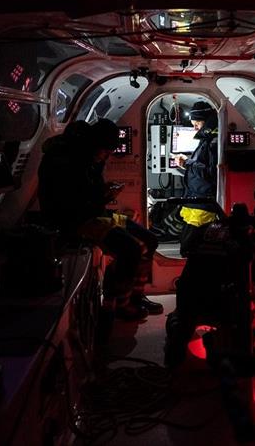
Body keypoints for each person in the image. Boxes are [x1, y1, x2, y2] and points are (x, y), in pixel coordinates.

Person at [38, 118, 162, 320]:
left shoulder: (89, 158)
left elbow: (91, 193)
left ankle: (136, 295)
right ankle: (119, 303)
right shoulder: (63, 161)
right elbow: (69, 203)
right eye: (106, 151)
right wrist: (104, 195)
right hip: (76, 221)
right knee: (129, 248)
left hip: (98, 214)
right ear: (93, 144)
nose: (107, 155)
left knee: (149, 239)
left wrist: (104, 192)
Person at [172, 100, 219, 257]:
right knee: (187, 247)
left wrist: (187, 162)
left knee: (190, 249)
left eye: (196, 123)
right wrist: (188, 164)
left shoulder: (213, 142)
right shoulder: (207, 139)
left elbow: (211, 172)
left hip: (203, 205)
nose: (195, 128)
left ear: (205, 121)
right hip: (196, 201)